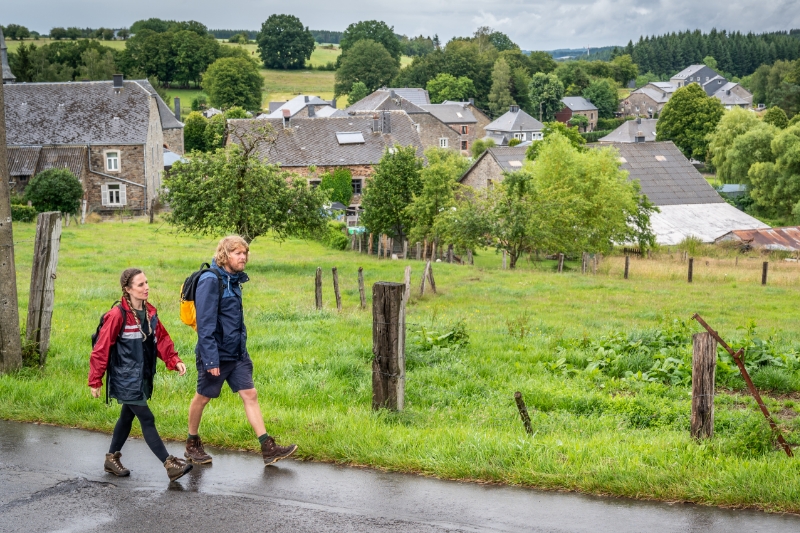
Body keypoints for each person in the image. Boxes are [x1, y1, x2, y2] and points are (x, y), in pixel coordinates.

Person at [185, 235, 297, 466]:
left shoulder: (233, 280)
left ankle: (268, 447)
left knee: (250, 394)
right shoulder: (210, 280)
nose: (243, 257)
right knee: (203, 397)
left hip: (236, 353)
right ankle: (192, 442)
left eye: (244, 253)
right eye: (237, 253)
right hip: (215, 353)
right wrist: (210, 360)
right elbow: (205, 325)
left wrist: (241, 347)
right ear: (225, 255)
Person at [89, 268, 193, 482]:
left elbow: (162, 339)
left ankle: (111, 459)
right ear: (127, 289)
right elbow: (101, 348)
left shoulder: (149, 313)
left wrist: (175, 360)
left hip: (142, 376)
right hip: (125, 377)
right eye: (140, 285)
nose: (146, 288)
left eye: (146, 283)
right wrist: (95, 380)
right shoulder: (117, 315)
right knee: (147, 417)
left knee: (127, 416)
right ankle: (169, 464)